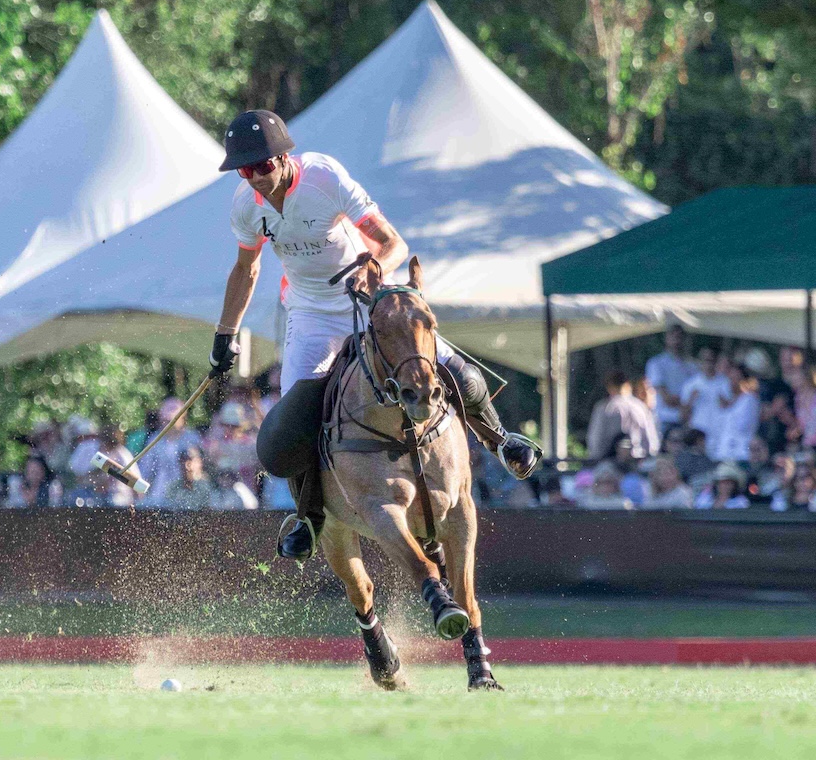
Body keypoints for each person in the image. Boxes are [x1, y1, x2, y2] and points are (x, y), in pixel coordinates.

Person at [207, 110, 540, 561]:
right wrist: (225, 333)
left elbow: (393, 243)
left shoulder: (325, 177)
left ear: (285, 157)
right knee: (287, 431)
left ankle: (502, 441)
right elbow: (247, 269)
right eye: (245, 170)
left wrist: (374, 268)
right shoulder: (247, 206)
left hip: (367, 304)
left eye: (263, 166)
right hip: (308, 315)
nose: (256, 178)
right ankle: (309, 517)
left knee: (451, 371)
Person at [585, 371, 659, 461]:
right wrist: (651, 456)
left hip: (609, 460)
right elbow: (650, 436)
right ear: (628, 385)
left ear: (609, 387)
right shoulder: (640, 407)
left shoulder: (604, 408)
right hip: (638, 459)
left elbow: (596, 437)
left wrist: (595, 458)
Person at [644, 325, 699, 433]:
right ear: (666, 338)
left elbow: (698, 392)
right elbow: (665, 397)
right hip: (666, 420)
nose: (676, 340)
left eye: (679, 336)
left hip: (689, 421)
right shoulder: (656, 363)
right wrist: (686, 404)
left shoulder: (692, 365)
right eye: (673, 335)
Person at [680, 348, 732, 458]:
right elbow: (683, 415)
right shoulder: (691, 384)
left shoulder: (725, 382)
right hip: (698, 435)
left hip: (719, 434)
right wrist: (691, 400)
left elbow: (731, 409)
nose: (708, 364)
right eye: (705, 360)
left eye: (710, 360)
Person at [712, 363, 760, 462]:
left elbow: (742, 426)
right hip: (722, 453)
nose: (732, 381)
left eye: (736, 378)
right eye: (731, 377)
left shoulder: (749, 399)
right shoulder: (725, 402)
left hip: (741, 453)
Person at [160, 446, 218, 511]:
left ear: (200, 462)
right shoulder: (173, 486)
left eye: (191, 460)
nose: (186, 465)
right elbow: (167, 508)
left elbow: (213, 510)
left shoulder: (208, 486)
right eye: (183, 460)